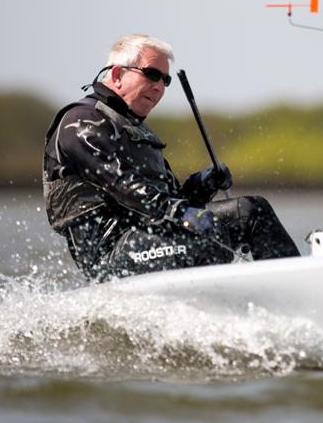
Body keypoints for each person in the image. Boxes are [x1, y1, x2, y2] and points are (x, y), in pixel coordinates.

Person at [43, 34, 300, 281]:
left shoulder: (136, 129)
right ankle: (276, 297)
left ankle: (289, 289)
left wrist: (201, 185)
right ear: (117, 74)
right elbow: (125, 187)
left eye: (165, 80)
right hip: (110, 254)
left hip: (152, 236)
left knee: (248, 213)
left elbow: (171, 203)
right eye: (152, 74)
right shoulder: (80, 121)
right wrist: (181, 211)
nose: (158, 86)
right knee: (227, 225)